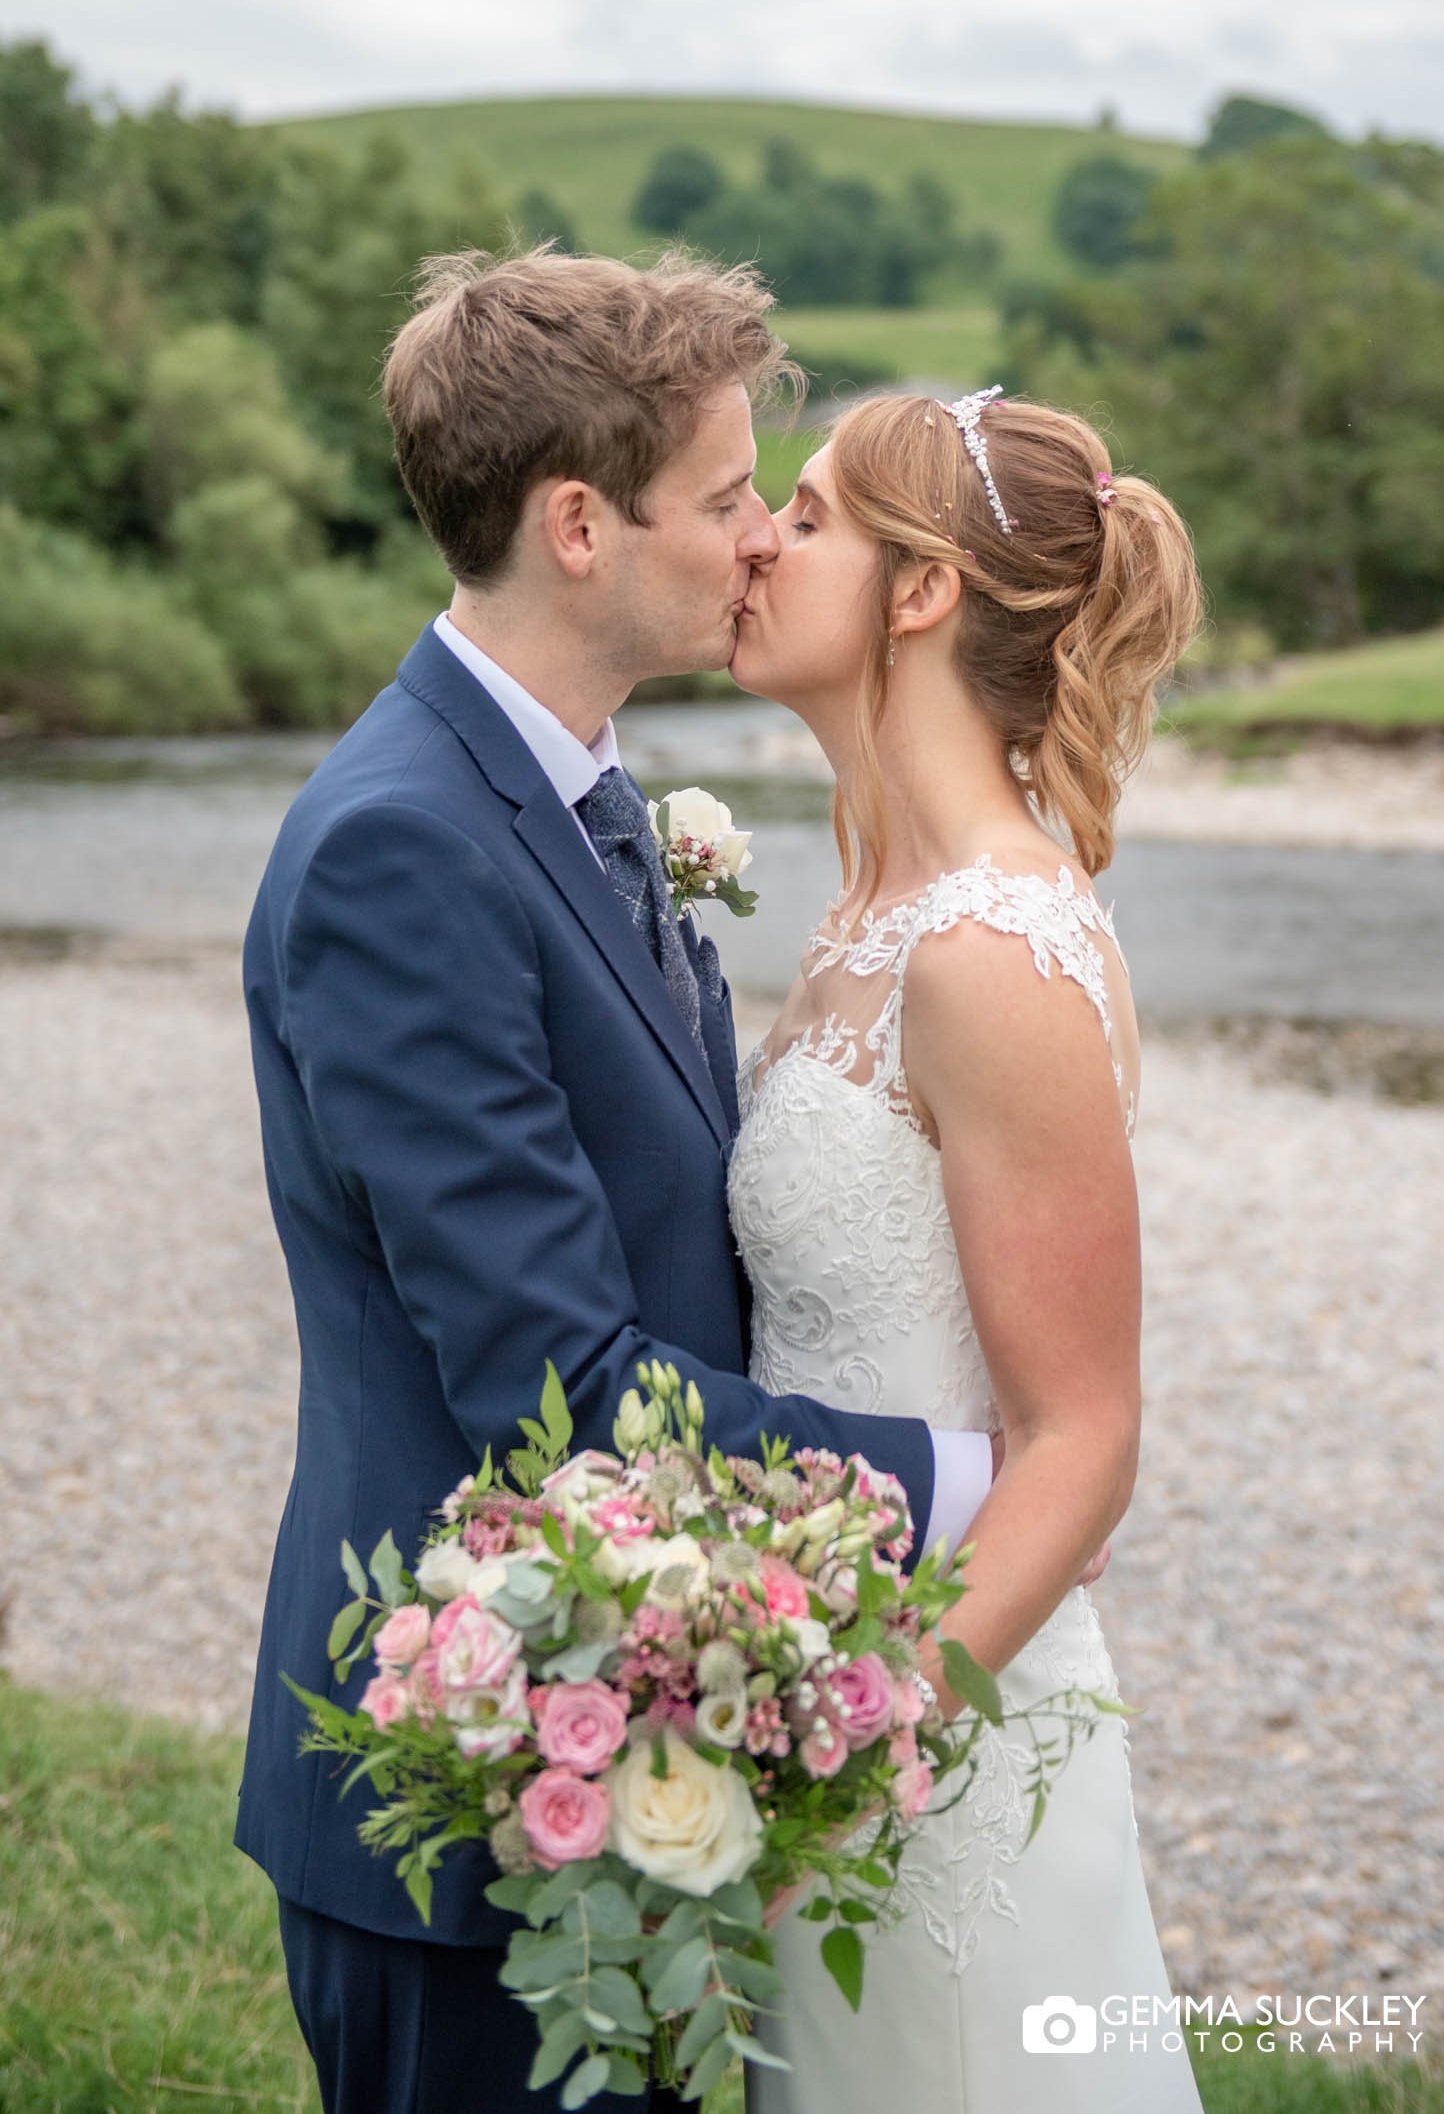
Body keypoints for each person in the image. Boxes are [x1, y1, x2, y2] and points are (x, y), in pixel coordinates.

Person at [235, 253, 1064, 2114]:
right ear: (580, 525)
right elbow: (563, 1385)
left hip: (648, 1744)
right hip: (463, 1807)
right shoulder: (403, 852)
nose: (762, 536)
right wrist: (969, 1475)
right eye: (725, 499)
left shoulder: (581, 796)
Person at [728, 388, 1206, 2110]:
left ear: (921, 591)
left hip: (932, 1754)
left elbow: (1083, 1442)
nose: (758, 541)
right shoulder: (869, 915)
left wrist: (843, 1773)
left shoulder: (991, 951)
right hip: (810, 1697)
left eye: (809, 509)